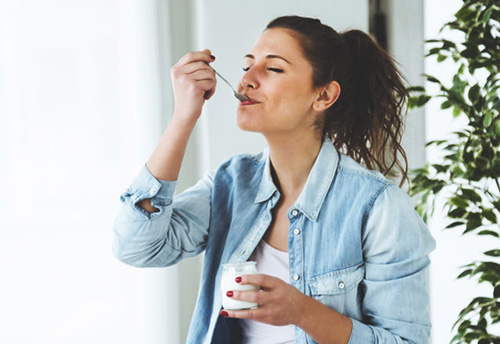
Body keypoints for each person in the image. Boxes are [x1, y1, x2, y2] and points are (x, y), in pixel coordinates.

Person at [113, 15, 436, 344]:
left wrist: (302, 311)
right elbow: (137, 247)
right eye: (246, 66)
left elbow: (406, 341)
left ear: (323, 96)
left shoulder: (377, 207)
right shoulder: (230, 185)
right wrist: (184, 116)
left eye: (273, 68)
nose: (246, 81)